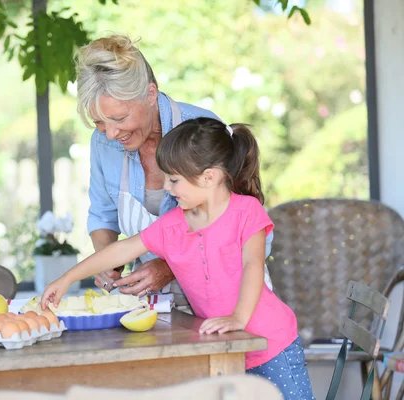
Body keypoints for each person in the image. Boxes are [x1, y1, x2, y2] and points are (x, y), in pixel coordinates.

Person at [41, 117, 314, 400]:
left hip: (272, 344)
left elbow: (252, 265)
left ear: (208, 177)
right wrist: (67, 278)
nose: (168, 188)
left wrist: (237, 317)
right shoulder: (173, 224)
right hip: (225, 347)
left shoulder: (247, 211)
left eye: (174, 180)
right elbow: (122, 249)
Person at [75, 34, 274, 303]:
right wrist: (108, 262)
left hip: (232, 303)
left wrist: (169, 268)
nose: (109, 133)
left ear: (150, 94)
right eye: (99, 122)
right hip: (156, 306)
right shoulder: (103, 143)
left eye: (119, 118)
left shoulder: (199, 130)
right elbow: (102, 215)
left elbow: (240, 230)